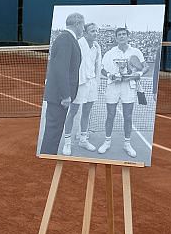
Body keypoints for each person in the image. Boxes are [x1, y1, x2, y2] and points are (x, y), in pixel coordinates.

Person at [98, 28, 149, 158]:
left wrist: (138, 74)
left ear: (128, 36)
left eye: (123, 34)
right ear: (116, 38)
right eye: (119, 35)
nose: (121, 36)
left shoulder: (136, 52)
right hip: (113, 86)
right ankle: (107, 141)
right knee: (110, 115)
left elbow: (145, 66)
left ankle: (127, 144)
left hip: (128, 87)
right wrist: (110, 75)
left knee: (128, 116)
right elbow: (102, 70)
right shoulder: (110, 53)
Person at [39, 12, 84, 155]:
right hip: (59, 97)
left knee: (55, 131)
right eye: (82, 25)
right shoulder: (66, 39)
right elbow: (61, 69)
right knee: (53, 131)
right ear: (77, 24)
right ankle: (47, 158)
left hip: (59, 96)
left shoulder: (67, 38)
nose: (83, 28)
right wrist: (65, 95)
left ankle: (48, 155)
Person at [61, 22, 101, 155]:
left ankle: (83, 139)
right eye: (92, 31)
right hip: (79, 84)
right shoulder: (78, 44)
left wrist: (96, 82)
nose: (95, 33)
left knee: (86, 112)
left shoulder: (97, 46)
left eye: (96, 31)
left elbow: (96, 66)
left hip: (91, 84)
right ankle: (67, 143)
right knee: (72, 112)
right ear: (85, 32)